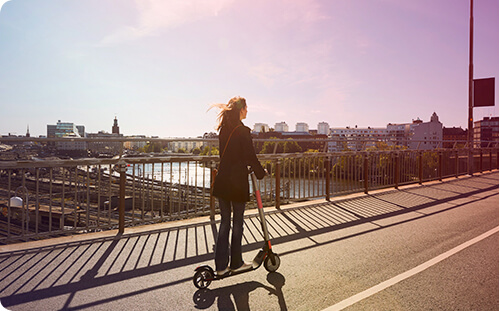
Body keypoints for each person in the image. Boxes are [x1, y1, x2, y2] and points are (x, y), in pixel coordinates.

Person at [211, 96, 266, 276]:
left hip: (222, 180)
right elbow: (250, 155)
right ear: (241, 109)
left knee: (225, 222)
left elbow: (226, 155)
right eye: (246, 108)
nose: (247, 111)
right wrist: (260, 172)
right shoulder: (243, 131)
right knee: (238, 223)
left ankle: (220, 267)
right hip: (237, 182)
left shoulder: (223, 130)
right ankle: (236, 262)